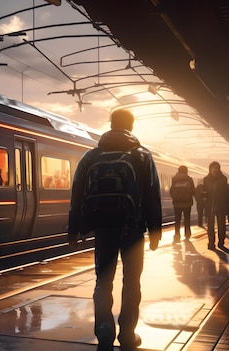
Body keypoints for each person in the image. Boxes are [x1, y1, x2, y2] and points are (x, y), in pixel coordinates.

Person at [67, 109, 162, 351]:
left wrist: (74, 230)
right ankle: (128, 334)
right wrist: (155, 231)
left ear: (111, 125)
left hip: (103, 228)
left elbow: (77, 194)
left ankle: (104, 331)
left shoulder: (91, 156)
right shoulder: (142, 156)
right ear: (131, 126)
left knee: (103, 281)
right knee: (132, 282)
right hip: (133, 228)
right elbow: (152, 194)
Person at [203, 161, 229, 250]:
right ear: (210, 169)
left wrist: (228, 204)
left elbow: (226, 192)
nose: (214, 170)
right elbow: (204, 191)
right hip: (210, 205)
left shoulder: (223, 179)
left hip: (221, 204)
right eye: (212, 168)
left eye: (216, 168)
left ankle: (221, 241)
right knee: (210, 226)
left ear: (218, 169)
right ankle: (211, 242)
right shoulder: (205, 179)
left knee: (221, 225)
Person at [170, 165, 195, 242]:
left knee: (177, 220)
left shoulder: (174, 179)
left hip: (177, 203)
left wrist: (174, 198)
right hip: (187, 203)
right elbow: (193, 190)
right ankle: (187, 233)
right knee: (187, 219)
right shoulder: (189, 179)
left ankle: (177, 235)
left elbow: (171, 190)